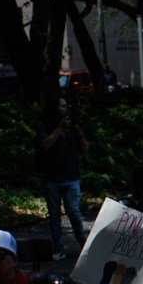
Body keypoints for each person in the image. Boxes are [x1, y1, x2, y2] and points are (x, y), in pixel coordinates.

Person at [36, 97, 89, 259]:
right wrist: (59, 129)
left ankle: (84, 244)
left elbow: (85, 148)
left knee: (73, 210)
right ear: (54, 108)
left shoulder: (74, 124)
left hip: (71, 176)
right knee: (54, 215)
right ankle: (58, 248)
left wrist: (79, 133)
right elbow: (45, 144)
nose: (65, 109)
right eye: (62, 106)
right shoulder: (44, 124)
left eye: (67, 106)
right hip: (51, 177)